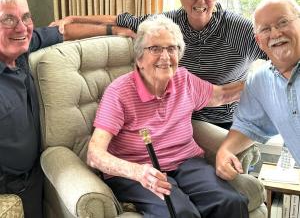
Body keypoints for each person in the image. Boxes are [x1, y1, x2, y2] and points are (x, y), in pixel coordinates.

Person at [54, 0, 267, 129]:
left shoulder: (240, 30)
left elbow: (280, 59)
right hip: (178, 117)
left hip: (226, 121)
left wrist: (255, 86)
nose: (201, 0)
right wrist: (72, 18)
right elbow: (124, 20)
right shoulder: (168, 24)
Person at [87, 15, 249, 218]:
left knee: (231, 202)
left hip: (186, 162)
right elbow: (94, 154)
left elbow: (222, 95)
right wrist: (138, 172)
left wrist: (264, 78)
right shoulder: (119, 92)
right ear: (139, 59)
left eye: (172, 48)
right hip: (139, 171)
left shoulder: (184, 80)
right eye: (155, 49)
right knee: (180, 213)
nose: (165, 57)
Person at [0, 0, 121, 217]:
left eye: (26, 17)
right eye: (8, 19)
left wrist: (113, 30)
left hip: (35, 179)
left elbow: (62, 32)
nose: (22, 28)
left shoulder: (20, 47)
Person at [215, 0, 300, 181]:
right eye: (265, 29)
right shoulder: (260, 81)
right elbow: (249, 125)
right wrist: (225, 151)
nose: (276, 33)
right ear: (258, 40)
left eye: (283, 22)